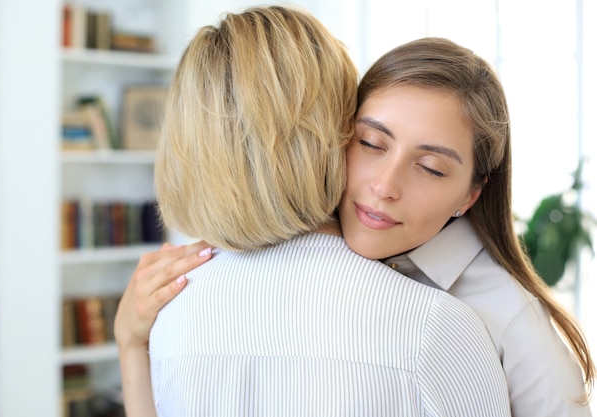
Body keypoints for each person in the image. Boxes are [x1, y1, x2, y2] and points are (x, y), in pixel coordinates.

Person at [116, 35, 595, 416]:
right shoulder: (202, 292)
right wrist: (130, 341)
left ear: (471, 195)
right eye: (369, 143)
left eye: (430, 167)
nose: (385, 186)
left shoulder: (502, 324)